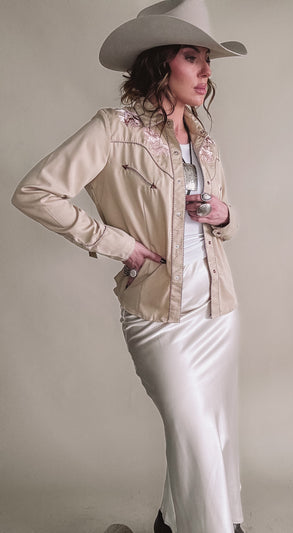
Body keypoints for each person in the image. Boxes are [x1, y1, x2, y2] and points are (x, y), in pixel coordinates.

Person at [11, 1, 247, 532]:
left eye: (208, 60)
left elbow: (226, 224)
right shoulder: (113, 129)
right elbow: (35, 193)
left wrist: (225, 214)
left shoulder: (204, 141)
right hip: (158, 313)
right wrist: (118, 243)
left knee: (215, 433)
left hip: (217, 311)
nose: (206, 72)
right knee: (194, 434)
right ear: (161, 62)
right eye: (193, 57)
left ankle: (172, 522)